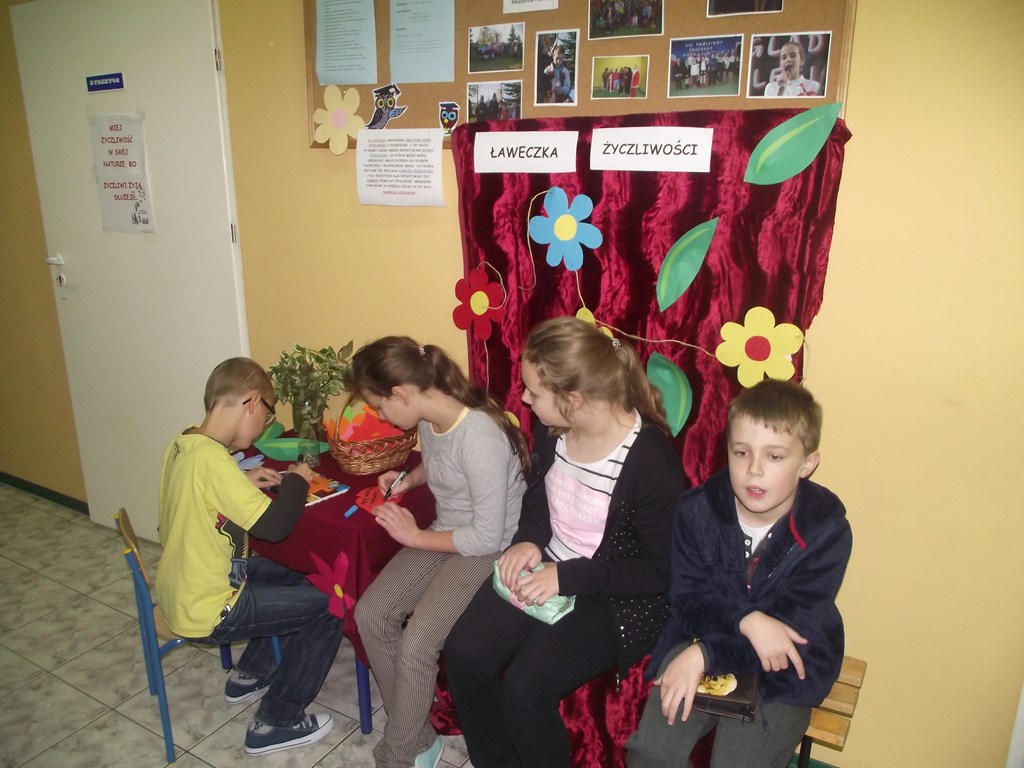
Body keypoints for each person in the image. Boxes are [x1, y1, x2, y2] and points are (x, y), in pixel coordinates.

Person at [443, 317, 687, 768]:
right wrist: (529, 542)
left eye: (534, 392)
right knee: (463, 654)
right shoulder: (552, 429)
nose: (524, 399)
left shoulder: (651, 460)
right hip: (551, 567)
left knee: (525, 690)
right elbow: (539, 501)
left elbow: (659, 572)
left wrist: (566, 577)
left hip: (613, 595)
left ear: (573, 400)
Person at [625, 379, 852, 768]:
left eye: (775, 456)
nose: (754, 470)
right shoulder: (696, 509)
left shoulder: (827, 531)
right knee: (651, 752)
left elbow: (789, 630)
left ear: (807, 464)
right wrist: (744, 622)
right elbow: (687, 598)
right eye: (741, 452)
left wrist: (708, 654)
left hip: (783, 666)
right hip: (700, 638)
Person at [345, 336, 529, 768]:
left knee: (418, 643)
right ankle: (421, 738)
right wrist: (408, 480)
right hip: (450, 533)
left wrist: (414, 537)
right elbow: (440, 460)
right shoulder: (431, 418)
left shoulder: (480, 434)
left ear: (402, 393)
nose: (381, 416)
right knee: (370, 614)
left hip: (489, 549)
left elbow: (486, 538)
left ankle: (397, 755)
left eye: (380, 406)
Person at [155, 357, 341, 756]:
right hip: (209, 605)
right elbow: (275, 527)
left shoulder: (185, 443)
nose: (263, 425)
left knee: (297, 573)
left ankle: (251, 671)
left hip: (186, 585)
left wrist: (239, 479)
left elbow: (200, 488)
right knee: (332, 605)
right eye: (267, 414)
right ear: (253, 402)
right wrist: (297, 481)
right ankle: (277, 720)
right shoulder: (213, 460)